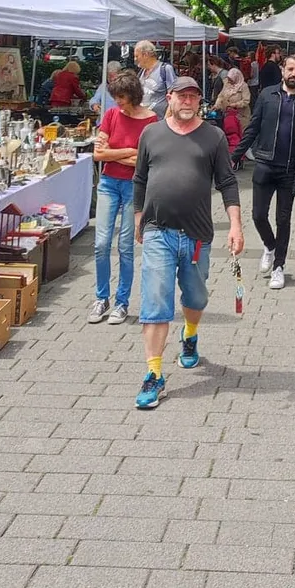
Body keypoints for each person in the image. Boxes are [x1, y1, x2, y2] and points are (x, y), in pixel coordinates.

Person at [132, 77, 243, 410]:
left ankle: (190, 335)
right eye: (182, 96)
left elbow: (227, 182)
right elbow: (139, 178)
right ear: (169, 97)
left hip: (196, 235)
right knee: (155, 302)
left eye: (193, 97)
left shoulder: (213, 137)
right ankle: (154, 375)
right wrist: (139, 217)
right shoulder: (151, 134)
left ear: (199, 102)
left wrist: (235, 225)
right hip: (157, 231)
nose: (187, 102)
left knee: (196, 296)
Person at [231, 53, 295, 288]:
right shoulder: (267, 95)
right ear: (283, 70)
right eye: (290, 69)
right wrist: (235, 155)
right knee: (257, 215)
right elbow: (253, 128)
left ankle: (279, 267)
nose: (294, 73)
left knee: (283, 220)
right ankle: (270, 245)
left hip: (289, 169)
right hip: (265, 163)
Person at [89, 70, 158, 326]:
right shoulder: (110, 115)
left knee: (126, 246)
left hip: (134, 186)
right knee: (101, 243)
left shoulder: (151, 121)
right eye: (116, 97)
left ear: (133, 95)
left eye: (122, 97)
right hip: (108, 182)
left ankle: (122, 302)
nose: (118, 102)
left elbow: (145, 161)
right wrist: (130, 152)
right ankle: (101, 297)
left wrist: (113, 152)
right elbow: (98, 155)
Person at [135, 40, 176, 116]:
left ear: (145, 55)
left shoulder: (165, 69)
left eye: (137, 56)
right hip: (143, 120)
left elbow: (173, 97)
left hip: (159, 121)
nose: (135, 59)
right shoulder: (141, 72)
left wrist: (166, 120)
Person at [216, 67, 252, 131]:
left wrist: (235, 105)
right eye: (228, 79)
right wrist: (217, 105)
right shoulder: (227, 83)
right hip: (228, 115)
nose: (229, 81)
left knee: (240, 134)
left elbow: (246, 101)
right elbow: (221, 96)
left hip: (241, 116)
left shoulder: (244, 86)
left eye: (231, 79)